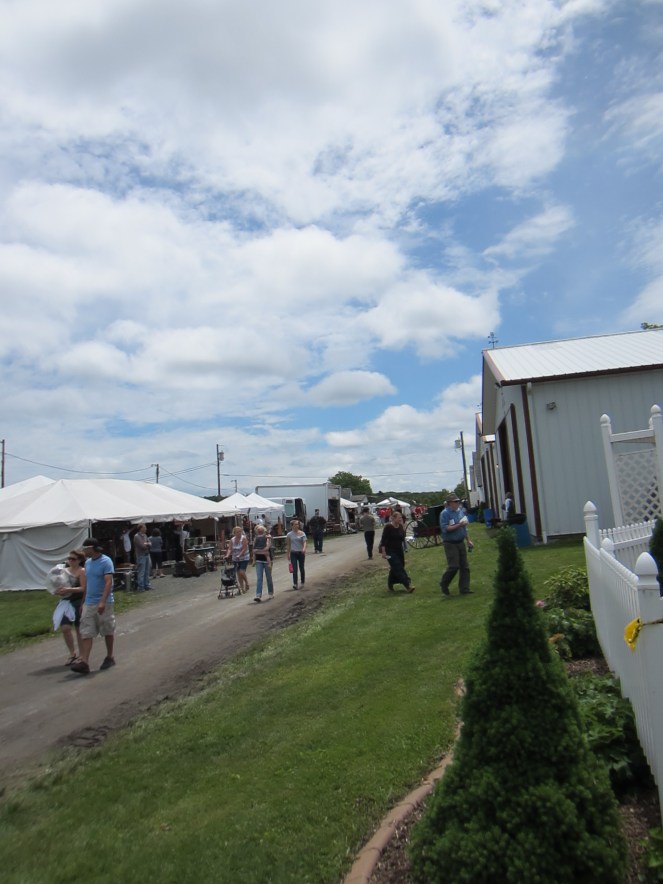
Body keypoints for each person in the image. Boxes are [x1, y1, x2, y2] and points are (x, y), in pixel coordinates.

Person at [70, 538, 116, 674]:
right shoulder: (88, 563)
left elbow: (108, 582)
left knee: (107, 629)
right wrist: (83, 601)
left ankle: (110, 656)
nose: (84, 551)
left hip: (104, 602)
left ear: (92, 548)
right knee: (86, 631)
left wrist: (102, 601)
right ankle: (84, 661)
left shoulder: (106, 561)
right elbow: (88, 584)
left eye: (85, 549)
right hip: (89, 602)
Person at [439, 493, 474, 598]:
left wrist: (468, 540)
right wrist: (459, 524)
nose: (458, 503)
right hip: (450, 543)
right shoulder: (445, 514)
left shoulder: (460, 512)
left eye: (458, 501)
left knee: (465, 567)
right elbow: (446, 529)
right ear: (449, 503)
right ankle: (444, 583)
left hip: (460, 542)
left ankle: (464, 589)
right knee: (454, 566)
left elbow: (464, 528)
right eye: (455, 502)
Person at [55, 549, 86, 665]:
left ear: (79, 560)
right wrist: (58, 591)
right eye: (69, 559)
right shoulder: (63, 571)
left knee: (79, 629)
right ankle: (72, 653)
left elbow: (83, 588)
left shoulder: (82, 571)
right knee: (65, 628)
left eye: (73, 559)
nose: (70, 561)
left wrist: (69, 589)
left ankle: (82, 655)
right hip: (65, 602)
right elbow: (57, 585)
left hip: (77, 601)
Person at [379, 511, 415, 593]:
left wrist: (403, 527)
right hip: (389, 551)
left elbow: (403, 538)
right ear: (394, 518)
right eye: (399, 518)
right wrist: (383, 552)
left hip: (399, 550)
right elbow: (383, 540)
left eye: (401, 518)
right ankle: (408, 585)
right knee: (398, 567)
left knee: (397, 567)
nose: (400, 519)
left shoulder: (400, 527)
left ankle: (390, 584)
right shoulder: (388, 527)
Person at [251, 524, 273, 602]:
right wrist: (254, 559)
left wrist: (258, 551)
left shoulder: (267, 537)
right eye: (258, 530)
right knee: (259, 578)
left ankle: (270, 592)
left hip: (267, 559)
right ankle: (258, 595)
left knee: (268, 577)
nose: (259, 531)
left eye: (260, 530)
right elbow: (253, 550)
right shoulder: (256, 539)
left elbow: (267, 548)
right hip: (258, 560)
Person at [227, 525, 250, 593]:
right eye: (237, 532)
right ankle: (241, 588)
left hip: (244, 557)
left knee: (241, 571)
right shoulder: (232, 540)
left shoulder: (243, 538)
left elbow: (244, 548)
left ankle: (247, 583)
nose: (239, 533)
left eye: (240, 531)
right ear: (234, 533)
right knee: (238, 573)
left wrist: (239, 555)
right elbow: (230, 549)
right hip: (235, 558)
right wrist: (227, 555)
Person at [286, 519, 307, 589]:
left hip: (301, 552)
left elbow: (304, 542)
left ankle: (302, 582)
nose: (297, 525)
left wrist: (304, 548)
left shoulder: (302, 533)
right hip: (293, 553)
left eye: (298, 524)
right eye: (295, 524)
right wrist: (288, 554)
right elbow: (288, 545)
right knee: (294, 569)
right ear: (292, 526)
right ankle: (295, 584)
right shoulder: (289, 535)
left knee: (301, 568)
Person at [133, 523, 152, 591]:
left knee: (147, 571)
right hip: (141, 556)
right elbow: (142, 546)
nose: (146, 529)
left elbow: (150, 543)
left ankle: (146, 585)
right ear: (141, 528)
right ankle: (141, 587)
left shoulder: (145, 535)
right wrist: (147, 544)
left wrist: (147, 544)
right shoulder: (137, 536)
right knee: (141, 571)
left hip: (147, 555)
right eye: (144, 527)